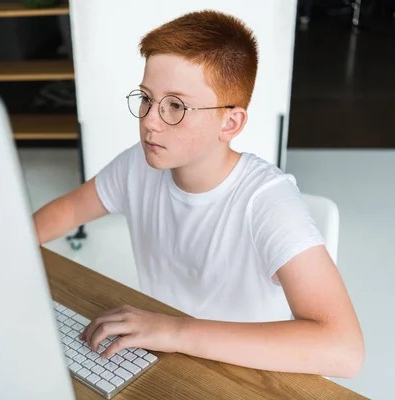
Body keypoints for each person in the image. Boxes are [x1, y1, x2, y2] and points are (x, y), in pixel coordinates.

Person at [32, 10, 364, 378]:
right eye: (146, 98)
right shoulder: (138, 165)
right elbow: (66, 211)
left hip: (246, 372)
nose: (150, 121)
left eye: (176, 105)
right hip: (166, 359)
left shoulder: (268, 201)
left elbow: (344, 349)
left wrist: (174, 331)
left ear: (230, 122)